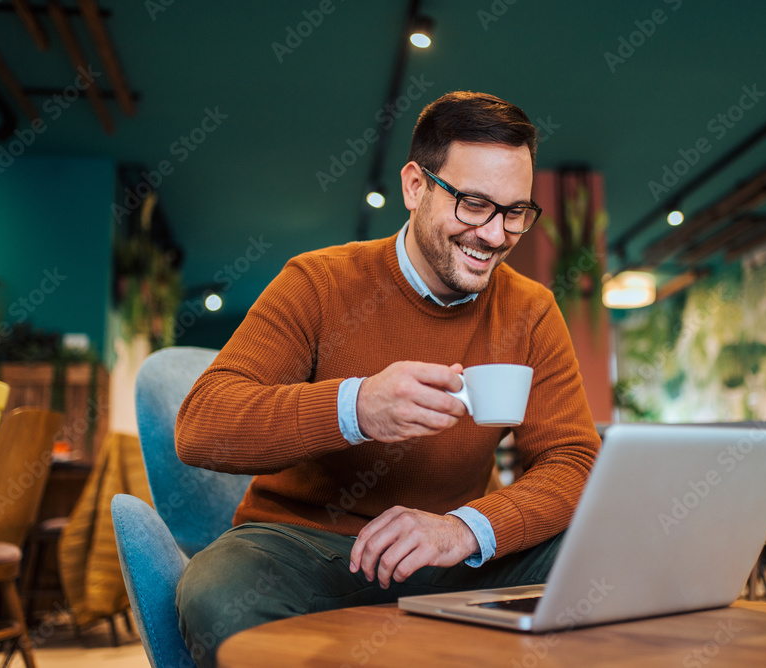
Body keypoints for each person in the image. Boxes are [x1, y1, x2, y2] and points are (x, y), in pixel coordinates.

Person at [174, 91, 601, 667]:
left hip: (453, 556)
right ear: (415, 187)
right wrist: (356, 408)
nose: (496, 235)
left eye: (514, 211)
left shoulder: (532, 311)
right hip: (310, 551)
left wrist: (465, 529)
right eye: (473, 204)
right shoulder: (317, 282)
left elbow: (573, 462)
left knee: (606, 556)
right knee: (216, 591)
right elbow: (202, 425)